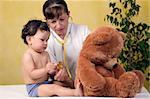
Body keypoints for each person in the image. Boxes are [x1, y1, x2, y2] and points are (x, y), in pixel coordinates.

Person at [21, 19, 82, 97]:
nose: (46, 43)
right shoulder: (28, 55)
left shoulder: (46, 54)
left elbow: (49, 73)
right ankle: (75, 93)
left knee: (61, 84)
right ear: (29, 40)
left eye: (47, 40)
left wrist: (54, 70)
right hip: (35, 87)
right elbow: (32, 74)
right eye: (42, 40)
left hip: (46, 83)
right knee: (54, 88)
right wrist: (46, 69)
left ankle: (76, 89)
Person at [43, 0, 90, 87]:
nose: (59, 25)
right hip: (63, 84)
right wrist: (65, 78)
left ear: (68, 14)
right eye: (53, 22)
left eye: (62, 19)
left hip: (86, 81)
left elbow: (93, 56)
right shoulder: (45, 40)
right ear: (47, 21)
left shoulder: (83, 31)